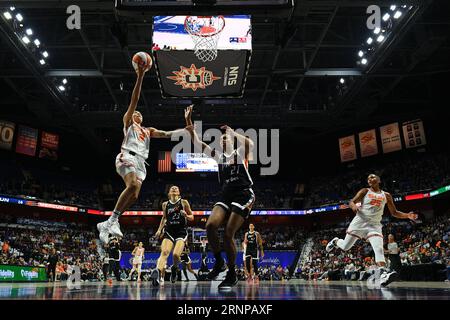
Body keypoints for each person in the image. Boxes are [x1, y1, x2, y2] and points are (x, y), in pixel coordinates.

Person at [97, 62, 188, 244]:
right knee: (131, 186)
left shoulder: (148, 130)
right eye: (135, 113)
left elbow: (166, 134)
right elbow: (134, 100)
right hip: (127, 155)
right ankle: (112, 220)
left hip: (141, 163)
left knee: (135, 195)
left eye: (139, 113)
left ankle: (109, 222)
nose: (137, 113)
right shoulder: (129, 123)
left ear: (143, 118)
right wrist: (140, 75)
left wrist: (186, 129)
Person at [185, 106, 256, 289]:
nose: (223, 140)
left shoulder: (240, 154)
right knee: (210, 225)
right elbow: (198, 143)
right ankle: (219, 262)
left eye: (226, 138)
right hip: (226, 194)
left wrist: (233, 133)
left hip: (243, 193)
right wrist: (189, 123)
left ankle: (232, 274)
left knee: (228, 234)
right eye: (221, 139)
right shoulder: (219, 158)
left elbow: (250, 144)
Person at [326, 174, 418, 287]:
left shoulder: (387, 195)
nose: (370, 179)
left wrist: (408, 215)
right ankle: (336, 241)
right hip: (359, 222)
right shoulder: (365, 191)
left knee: (378, 248)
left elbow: (394, 212)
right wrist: (354, 207)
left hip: (374, 225)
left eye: (372, 177)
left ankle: (383, 273)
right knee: (345, 246)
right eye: (368, 178)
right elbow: (351, 202)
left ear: (379, 180)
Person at [151, 186, 194, 286]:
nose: (174, 188)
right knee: (165, 252)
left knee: (175, 254)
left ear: (179, 192)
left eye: (176, 188)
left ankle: (175, 267)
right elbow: (164, 218)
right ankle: (157, 272)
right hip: (169, 231)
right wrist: (159, 230)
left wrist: (186, 216)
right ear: (169, 193)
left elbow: (192, 217)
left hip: (181, 232)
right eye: (172, 188)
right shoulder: (165, 204)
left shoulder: (184, 202)